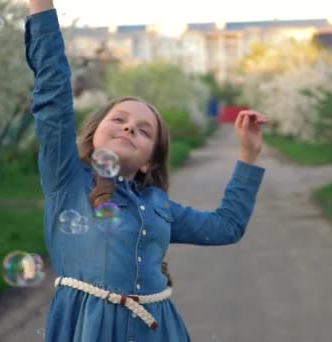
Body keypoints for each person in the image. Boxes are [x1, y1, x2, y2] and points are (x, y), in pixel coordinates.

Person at [26, 1, 268, 340]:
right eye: (120, 120)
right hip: (90, 329)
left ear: (150, 161)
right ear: (93, 134)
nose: (129, 129)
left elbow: (226, 227)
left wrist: (247, 154)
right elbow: (53, 97)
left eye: (143, 130)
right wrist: (41, 8)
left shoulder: (158, 205)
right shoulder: (67, 180)